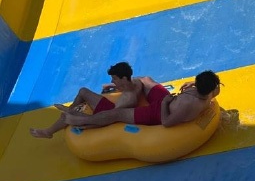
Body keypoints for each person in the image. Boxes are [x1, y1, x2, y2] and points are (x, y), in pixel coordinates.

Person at [30, 65, 221, 138]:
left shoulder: (189, 104)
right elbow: (214, 86)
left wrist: (164, 104)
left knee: (117, 114)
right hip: (169, 101)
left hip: (158, 112)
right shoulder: (212, 91)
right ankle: (120, 86)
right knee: (146, 79)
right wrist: (192, 84)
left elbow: (167, 122)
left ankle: (79, 120)